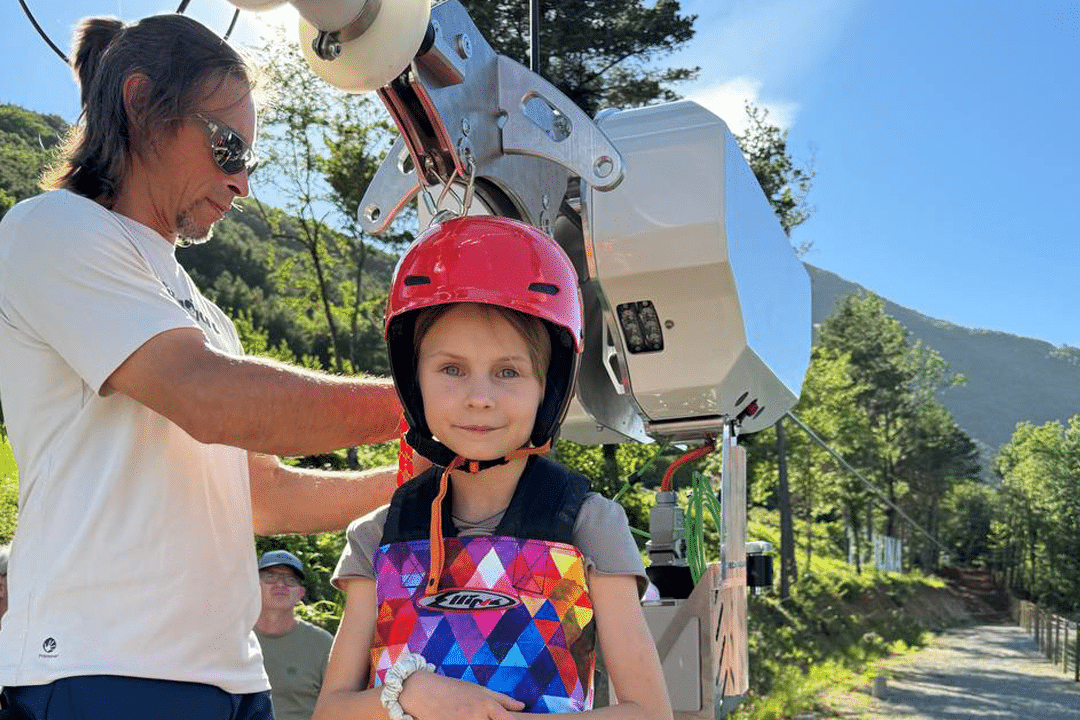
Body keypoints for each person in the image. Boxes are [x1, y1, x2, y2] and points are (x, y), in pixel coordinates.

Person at [0, 14, 426, 719]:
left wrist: (414, 477)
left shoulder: (201, 311)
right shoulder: (51, 229)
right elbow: (208, 398)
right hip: (105, 664)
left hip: (229, 677)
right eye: (229, 147)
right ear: (140, 105)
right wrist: (430, 401)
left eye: (249, 162)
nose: (243, 184)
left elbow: (262, 496)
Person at [312, 216, 673, 720]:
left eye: (509, 371)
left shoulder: (589, 525)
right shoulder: (379, 538)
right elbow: (329, 711)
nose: (479, 398)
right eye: (451, 369)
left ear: (549, 388)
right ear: (414, 382)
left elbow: (648, 711)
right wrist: (408, 695)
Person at [255, 551, 334, 720]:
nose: (280, 584)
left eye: (290, 580)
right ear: (254, 585)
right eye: (270, 576)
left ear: (300, 593)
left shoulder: (322, 644)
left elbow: (337, 706)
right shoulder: (236, 639)